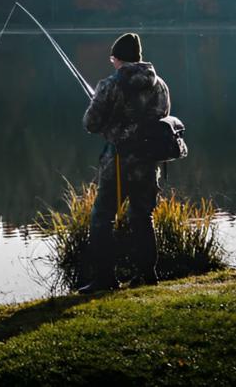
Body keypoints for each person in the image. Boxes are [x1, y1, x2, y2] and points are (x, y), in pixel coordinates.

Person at [77, 32, 170, 294]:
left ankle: (105, 279)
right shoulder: (159, 84)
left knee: (102, 218)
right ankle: (147, 275)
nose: (112, 63)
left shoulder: (110, 85)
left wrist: (98, 105)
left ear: (118, 58)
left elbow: (90, 124)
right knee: (142, 216)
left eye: (113, 59)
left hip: (118, 164)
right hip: (150, 163)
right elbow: (162, 116)